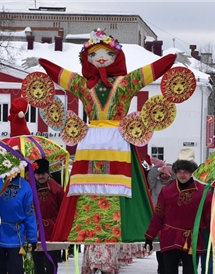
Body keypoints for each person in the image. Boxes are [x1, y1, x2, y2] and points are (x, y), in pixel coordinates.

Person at [23, 29, 189, 248]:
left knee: (119, 182)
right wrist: (43, 62)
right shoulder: (84, 85)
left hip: (115, 139)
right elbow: (62, 75)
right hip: (93, 139)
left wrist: (171, 59)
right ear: (87, 59)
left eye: (107, 54)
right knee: (87, 183)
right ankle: (85, 228)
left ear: (116, 57)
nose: (100, 58)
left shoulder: (126, 83)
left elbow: (149, 71)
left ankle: (121, 229)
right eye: (93, 55)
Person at [145, 150, 215, 274]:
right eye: (179, 171)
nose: (182, 174)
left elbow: (211, 218)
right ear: (176, 171)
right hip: (170, 238)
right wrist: (149, 236)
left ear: (192, 172)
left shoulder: (203, 192)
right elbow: (158, 215)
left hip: (192, 240)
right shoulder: (167, 191)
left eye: (186, 171)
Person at [31, 158, 64, 274]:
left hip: (52, 230)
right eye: (38, 174)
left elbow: (63, 210)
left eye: (43, 173)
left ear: (48, 173)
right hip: (35, 229)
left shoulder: (56, 188)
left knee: (51, 263)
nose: (40, 176)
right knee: (37, 263)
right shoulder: (30, 188)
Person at [146, 159, 175, 274]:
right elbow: (150, 176)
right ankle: (162, 271)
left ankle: (169, 269)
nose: (164, 175)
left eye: (166, 173)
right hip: (157, 217)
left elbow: (178, 175)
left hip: (171, 218)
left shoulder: (174, 184)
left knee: (170, 245)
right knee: (159, 245)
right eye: (162, 173)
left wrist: (171, 169)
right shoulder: (155, 183)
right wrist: (158, 168)